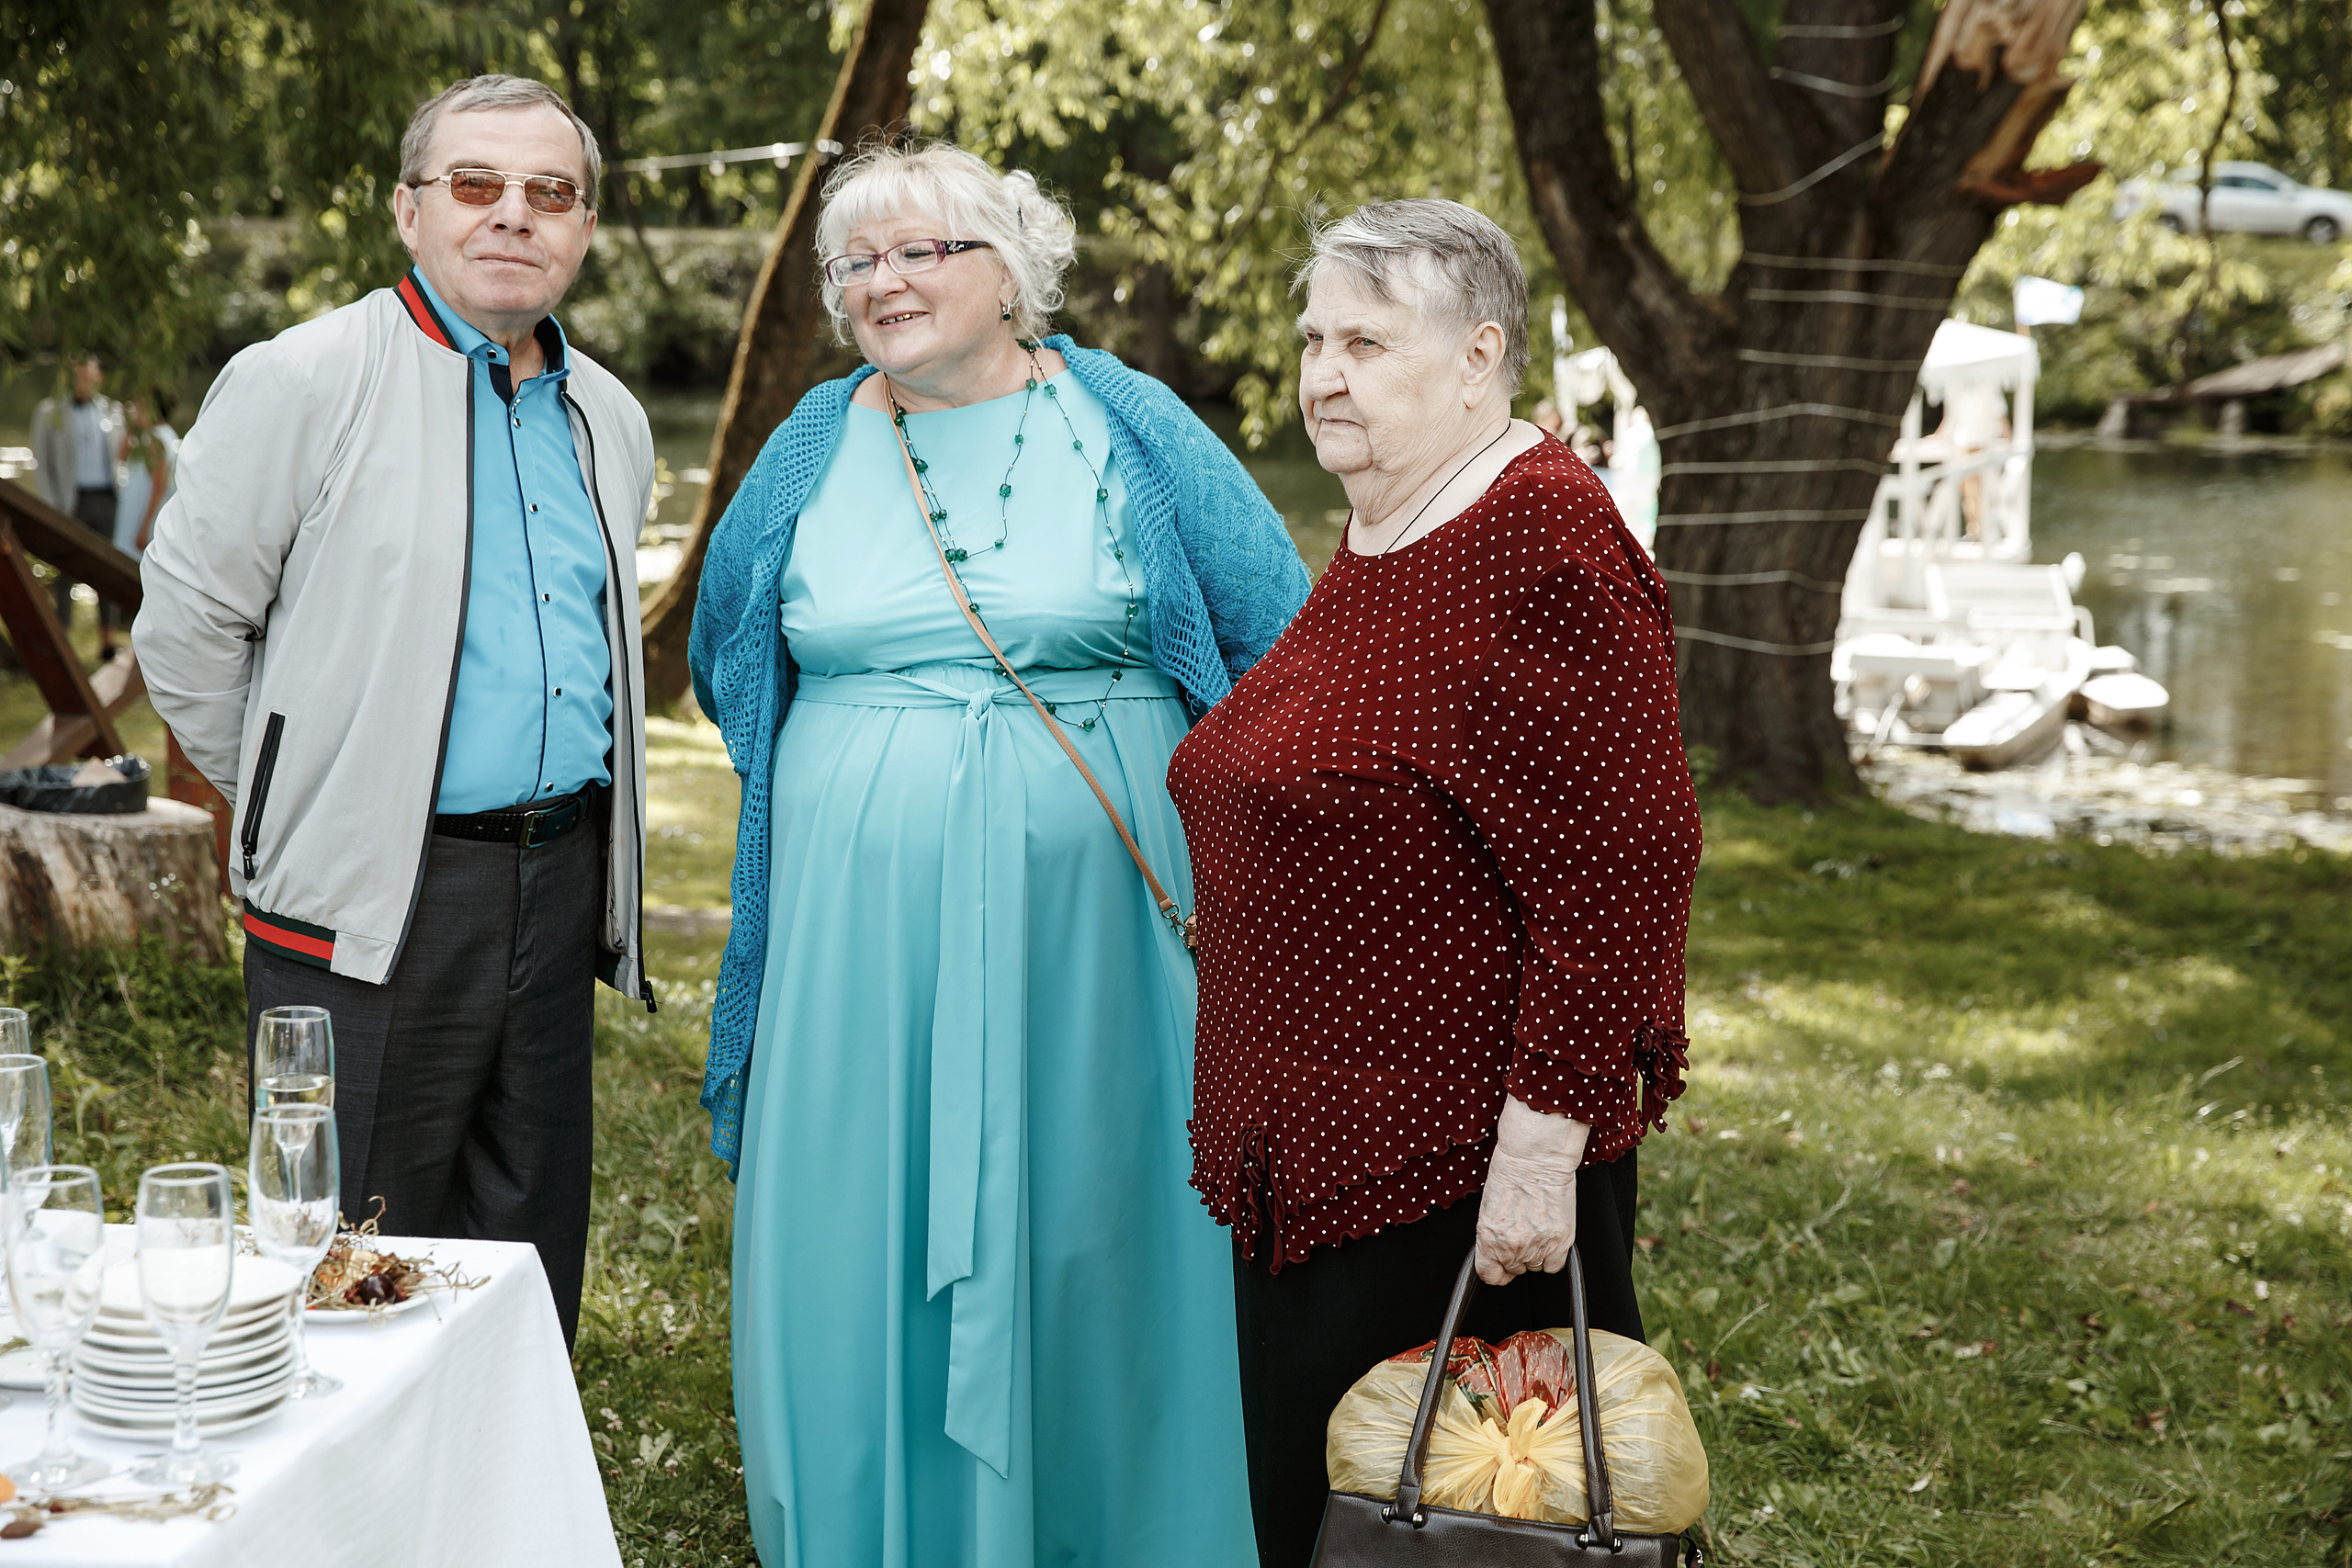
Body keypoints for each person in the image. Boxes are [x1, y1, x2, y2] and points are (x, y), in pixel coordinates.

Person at [689, 140, 1307, 1567]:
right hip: (856, 933)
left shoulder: (1127, 420)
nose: (884, 281)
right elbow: (731, 651)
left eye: (921, 251)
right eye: (858, 261)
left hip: (1104, 925)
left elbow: (1274, 627)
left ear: (1012, 269)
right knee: (858, 1214)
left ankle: (1133, 1529)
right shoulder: (809, 445)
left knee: (1105, 1211)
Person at [1166, 198, 1703, 1566]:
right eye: (1313, 340)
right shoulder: (1398, 519)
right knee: (1341, 1516)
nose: (1324, 374)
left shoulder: (1546, 541)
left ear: (1480, 356)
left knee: (1451, 1528)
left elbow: (1625, 865)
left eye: (1366, 342)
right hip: (1329, 1147)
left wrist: (1540, 1150)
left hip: (1447, 1175)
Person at [135, 74, 655, 1347]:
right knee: (348, 1258)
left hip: (557, 879)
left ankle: (501, 1471)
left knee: (523, 1248)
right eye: (476, 183)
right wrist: (305, 797)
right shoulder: (305, 379)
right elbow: (186, 630)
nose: (513, 214)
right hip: (371, 894)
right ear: (410, 210)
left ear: (585, 228)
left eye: (550, 192)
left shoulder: (611, 415)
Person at [29, 355, 126, 658]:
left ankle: (107, 642)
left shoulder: (113, 411)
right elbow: (42, 463)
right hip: (71, 501)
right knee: (66, 568)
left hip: (106, 498)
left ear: (99, 377)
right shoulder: (49, 412)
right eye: (78, 373)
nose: (84, 379)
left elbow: (121, 456)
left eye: (89, 373)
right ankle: (63, 640)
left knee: (106, 570)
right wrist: (52, 505)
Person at [113, 390, 180, 557]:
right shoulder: (155, 436)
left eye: (140, 406)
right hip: (138, 515)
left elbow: (159, 487)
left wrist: (144, 528)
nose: (135, 410)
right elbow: (121, 456)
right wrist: (133, 428)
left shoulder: (156, 441)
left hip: (141, 518)